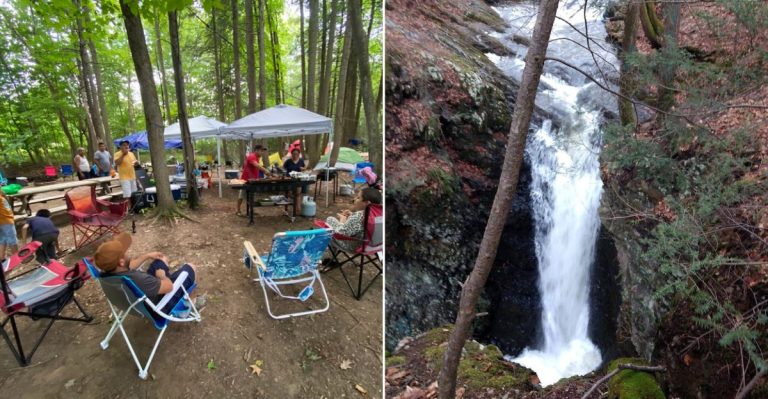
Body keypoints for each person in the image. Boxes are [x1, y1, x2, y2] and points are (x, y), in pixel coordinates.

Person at [94, 232, 198, 315]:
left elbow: (129, 265)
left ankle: (170, 279)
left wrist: (147, 256)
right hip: (159, 306)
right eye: (124, 253)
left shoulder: (107, 273)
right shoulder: (139, 279)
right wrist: (162, 276)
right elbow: (169, 287)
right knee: (190, 267)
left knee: (161, 261)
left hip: (141, 300)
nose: (127, 253)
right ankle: (190, 304)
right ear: (121, 262)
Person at [324, 187, 382, 253]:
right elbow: (363, 225)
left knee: (330, 220)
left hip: (353, 247)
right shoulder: (379, 215)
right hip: (374, 247)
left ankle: (330, 252)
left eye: (358, 198)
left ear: (367, 203)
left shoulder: (359, 215)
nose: (355, 199)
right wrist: (352, 215)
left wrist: (342, 221)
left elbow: (341, 233)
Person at [235, 145, 271, 217]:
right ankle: (238, 210)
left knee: (251, 195)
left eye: (263, 151)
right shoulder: (252, 156)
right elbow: (257, 165)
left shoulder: (257, 158)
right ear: (256, 150)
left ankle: (251, 210)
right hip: (245, 180)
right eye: (261, 151)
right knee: (241, 196)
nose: (262, 152)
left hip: (252, 180)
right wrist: (265, 171)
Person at [283, 148, 307, 213]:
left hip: (298, 179)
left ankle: (298, 208)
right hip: (289, 180)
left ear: (299, 154)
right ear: (291, 154)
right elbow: (283, 169)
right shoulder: (288, 161)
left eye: (297, 154)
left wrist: (303, 169)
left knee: (298, 193)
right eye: (294, 154)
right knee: (289, 193)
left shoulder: (301, 161)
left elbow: (305, 168)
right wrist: (285, 174)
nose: (295, 155)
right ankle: (288, 207)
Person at [0, 190, 18, 265]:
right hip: (6, 221)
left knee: (2, 239)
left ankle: (2, 258)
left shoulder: (1, 195)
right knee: (12, 240)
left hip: (4, 220)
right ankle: (16, 258)